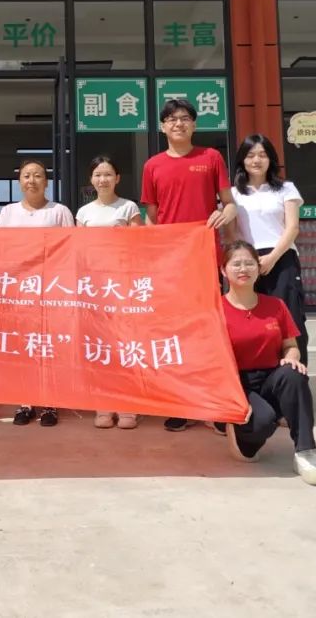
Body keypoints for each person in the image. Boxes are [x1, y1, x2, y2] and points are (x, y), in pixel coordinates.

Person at [140, 97, 238, 431]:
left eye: (184, 118)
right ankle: (181, 403)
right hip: (170, 263)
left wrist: (223, 214)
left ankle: (214, 404)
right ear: (162, 127)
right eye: (171, 119)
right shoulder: (153, 166)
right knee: (174, 332)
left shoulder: (210, 157)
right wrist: (154, 256)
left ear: (194, 124)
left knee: (209, 330)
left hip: (204, 257)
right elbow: (152, 217)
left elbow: (229, 204)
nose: (178, 123)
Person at [219, 241, 316, 486]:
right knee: (261, 424)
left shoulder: (276, 305)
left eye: (249, 263)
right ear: (223, 270)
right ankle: (238, 432)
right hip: (237, 384)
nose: (243, 269)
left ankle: (305, 453)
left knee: (294, 373)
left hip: (271, 377)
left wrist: (292, 359)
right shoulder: (215, 310)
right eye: (236, 264)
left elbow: (291, 346)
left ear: (258, 268)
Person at [0, 158, 75, 427]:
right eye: (27, 175)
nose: (32, 180)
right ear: (20, 181)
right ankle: (25, 402)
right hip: (19, 289)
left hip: (51, 288)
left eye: (38, 175)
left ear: (47, 181)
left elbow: (71, 249)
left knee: (48, 345)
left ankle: (50, 403)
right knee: (23, 346)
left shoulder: (59, 211)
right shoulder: (8, 212)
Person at [229, 133, 309, 364]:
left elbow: (292, 228)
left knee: (290, 316)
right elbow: (231, 233)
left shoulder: (286, 189)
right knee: (254, 318)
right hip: (246, 261)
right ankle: (264, 372)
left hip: (281, 258)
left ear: (271, 159)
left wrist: (272, 258)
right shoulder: (233, 194)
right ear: (242, 160)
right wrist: (247, 260)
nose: (257, 160)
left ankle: (295, 373)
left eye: (262, 155)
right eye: (251, 155)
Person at [75, 155, 142, 430]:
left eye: (108, 174)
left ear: (117, 178)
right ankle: (103, 405)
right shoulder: (83, 213)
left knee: (125, 345)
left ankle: (128, 406)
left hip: (122, 285)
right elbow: (78, 251)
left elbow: (139, 245)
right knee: (100, 346)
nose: (103, 179)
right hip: (95, 287)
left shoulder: (128, 208)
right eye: (98, 174)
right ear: (91, 180)